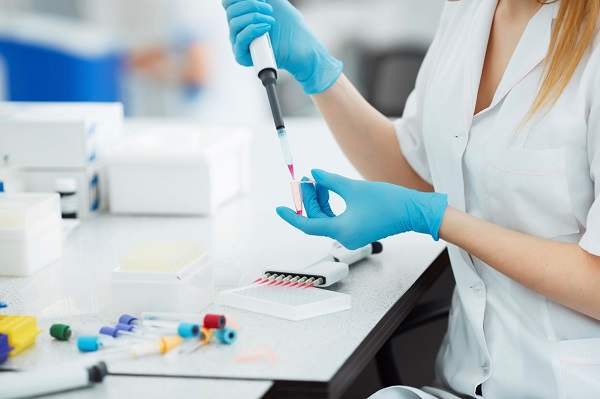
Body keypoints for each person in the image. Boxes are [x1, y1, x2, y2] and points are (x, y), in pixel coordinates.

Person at [222, 0, 600, 398]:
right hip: (464, 382)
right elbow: (418, 169)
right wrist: (318, 71)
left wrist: (434, 218)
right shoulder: (469, 10)